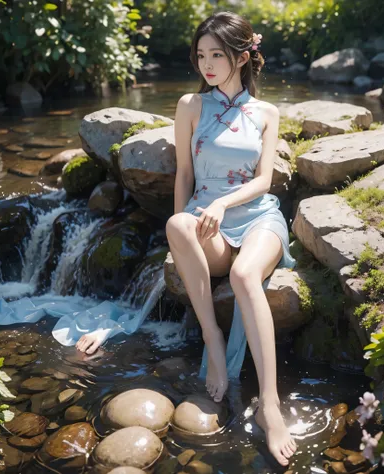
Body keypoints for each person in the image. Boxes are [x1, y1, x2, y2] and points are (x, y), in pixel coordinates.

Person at [165, 11, 297, 466]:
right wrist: (188, 225)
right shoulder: (189, 105)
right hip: (211, 228)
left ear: (242, 57)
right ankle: (214, 342)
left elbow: (264, 181)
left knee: (245, 275)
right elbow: (184, 173)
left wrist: (223, 203)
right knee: (176, 224)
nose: (207, 64)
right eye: (201, 55)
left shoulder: (266, 112)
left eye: (216, 54)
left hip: (259, 219)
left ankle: (271, 407)